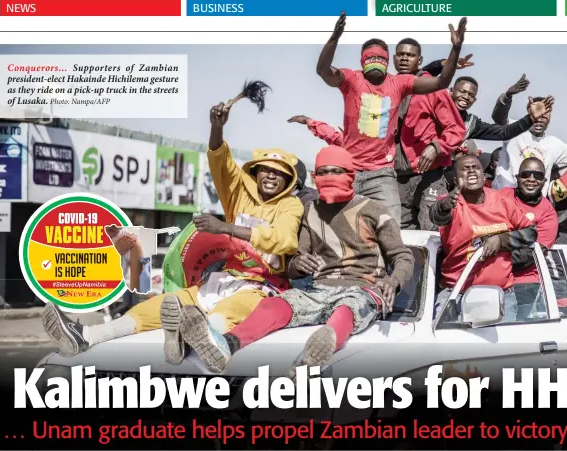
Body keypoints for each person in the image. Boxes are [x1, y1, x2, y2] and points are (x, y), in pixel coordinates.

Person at [42, 102, 304, 362]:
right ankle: (86, 334)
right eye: (266, 170)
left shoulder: (290, 204)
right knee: (161, 305)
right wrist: (216, 128)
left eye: (279, 173)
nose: (271, 176)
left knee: (229, 310)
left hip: (261, 287)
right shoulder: (239, 195)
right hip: (224, 279)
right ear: (256, 173)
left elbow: (285, 240)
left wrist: (226, 228)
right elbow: (220, 164)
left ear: (289, 180)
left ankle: (192, 340)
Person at [172, 145, 414, 373]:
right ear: (314, 176)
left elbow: (402, 255)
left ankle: (319, 349)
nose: (329, 176)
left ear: (350, 174)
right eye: (323, 172)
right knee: (275, 304)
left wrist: (394, 281)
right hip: (318, 289)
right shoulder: (310, 212)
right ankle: (226, 344)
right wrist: (299, 264)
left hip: (363, 288)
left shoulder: (373, 210)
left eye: (336, 171)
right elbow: (293, 264)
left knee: (346, 309)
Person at [315, 12, 468, 223]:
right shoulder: (356, 79)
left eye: (380, 58)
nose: (404, 58)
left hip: (413, 175)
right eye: (371, 58)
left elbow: (443, 87)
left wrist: (436, 146)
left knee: (407, 230)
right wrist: (334, 38)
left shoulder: (404, 85)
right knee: (349, 229)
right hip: (383, 174)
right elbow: (323, 71)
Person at [429, 156, 538, 322]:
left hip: (502, 298)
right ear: (455, 177)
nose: (472, 170)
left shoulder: (503, 201)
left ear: (483, 173)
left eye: (476, 167)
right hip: (457, 296)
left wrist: (501, 240)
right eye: (465, 169)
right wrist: (444, 206)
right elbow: (437, 216)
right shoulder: (451, 203)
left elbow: (531, 233)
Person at [392, 38, 467, 231]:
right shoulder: (388, 87)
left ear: (419, 59)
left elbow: (456, 129)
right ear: (393, 58)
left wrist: (436, 147)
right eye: (400, 54)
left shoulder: (433, 89)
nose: (404, 59)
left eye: (410, 55)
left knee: (431, 232)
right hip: (397, 177)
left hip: (429, 175)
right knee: (401, 237)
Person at [499, 158, 558, 321]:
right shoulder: (502, 195)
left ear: (544, 181)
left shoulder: (548, 213)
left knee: (510, 335)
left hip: (523, 283)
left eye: (538, 176)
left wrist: (491, 258)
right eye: (525, 174)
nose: (531, 179)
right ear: (517, 177)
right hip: (491, 277)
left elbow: (528, 255)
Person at [451, 75, 551, 142]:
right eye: (462, 91)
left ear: (475, 100)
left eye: (471, 95)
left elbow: (504, 132)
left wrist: (530, 118)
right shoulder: (435, 105)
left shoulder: (470, 124)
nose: (466, 97)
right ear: (451, 91)